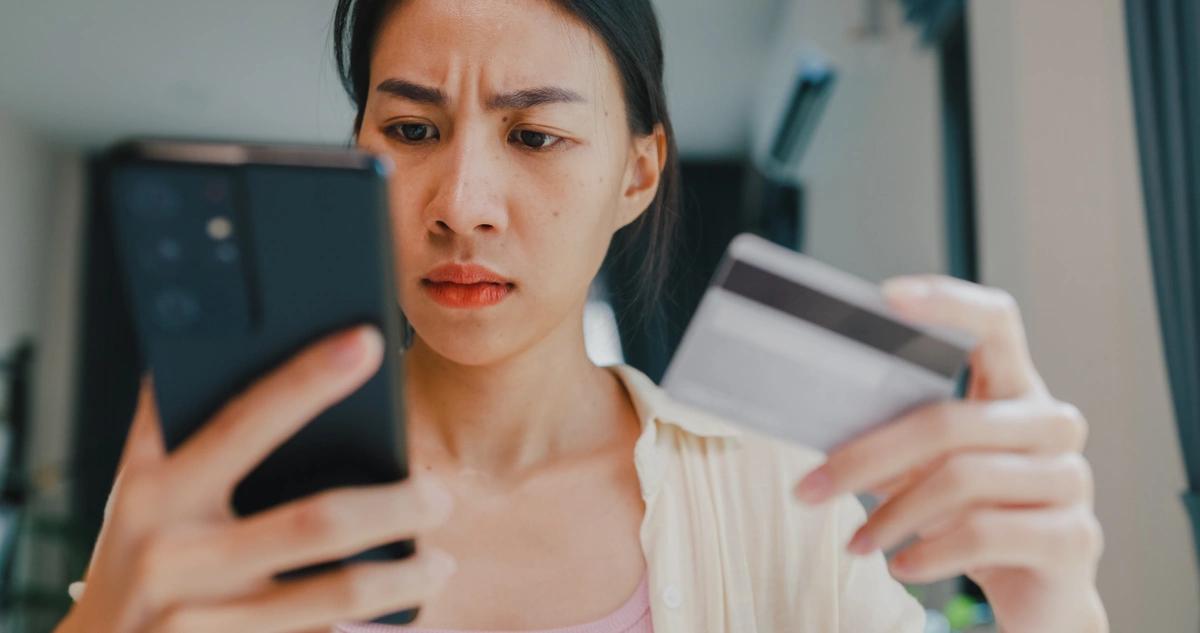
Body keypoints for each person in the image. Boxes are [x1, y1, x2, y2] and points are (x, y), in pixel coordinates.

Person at [53, 1, 1108, 631]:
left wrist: (1051, 602)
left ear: (638, 172)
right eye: (413, 128)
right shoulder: (224, 482)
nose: (461, 203)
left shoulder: (779, 490)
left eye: (537, 137)